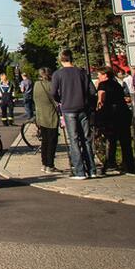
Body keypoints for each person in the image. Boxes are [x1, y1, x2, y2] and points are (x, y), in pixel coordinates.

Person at [51, 49, 97, 180]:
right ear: (72, 59)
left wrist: (61, 99)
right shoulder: (82, 73)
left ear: (61, 59)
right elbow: (92, 91)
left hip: (68, 109)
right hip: (83, 108)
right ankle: (92, 169)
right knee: (86, 139)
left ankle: (79, 171)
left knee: (74, 140)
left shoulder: (58, 74)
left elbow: (53, 92)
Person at [95, 67, 135, 175]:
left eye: (99, 74)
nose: (98, 76)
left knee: (111, 139)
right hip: (123, 113)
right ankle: (129, 164)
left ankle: (110, 164)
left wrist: (98, 108)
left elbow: (101, 99)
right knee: (125, 140)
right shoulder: (116, 84)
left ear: (105, 75)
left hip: (110, 115)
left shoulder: (103, 85)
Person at [33, 68, 60, 173]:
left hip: (40, 116)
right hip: (51, 116)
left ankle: (44, 163)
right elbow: (56, 99)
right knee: (52, 141)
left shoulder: (36, 85)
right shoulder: (50, 85)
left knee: (44, 141)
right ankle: (50, 164)